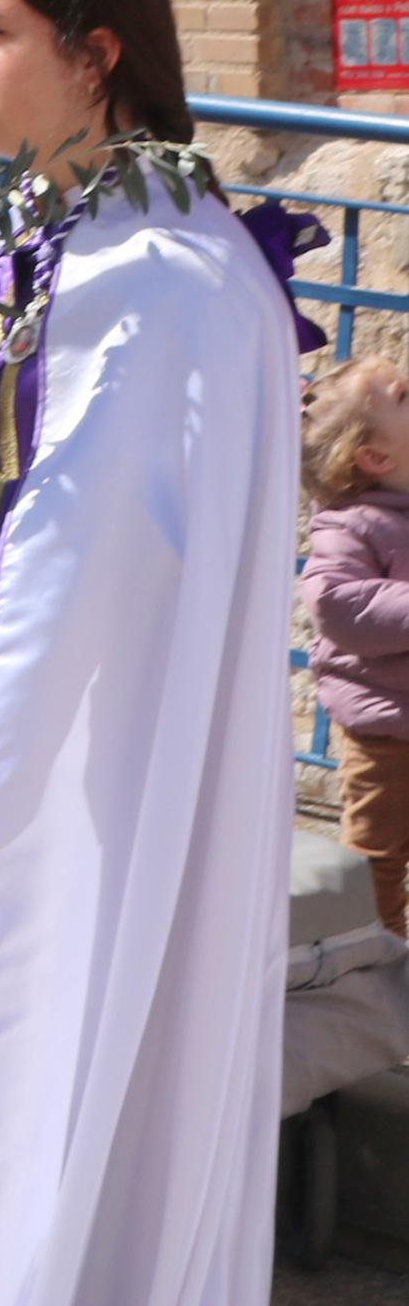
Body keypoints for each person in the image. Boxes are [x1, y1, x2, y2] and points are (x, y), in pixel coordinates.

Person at [0, 0, 299, 1302]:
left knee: (42, 1085)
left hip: (82, 772)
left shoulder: (168, 270)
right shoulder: (18, 229)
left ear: (92, 55)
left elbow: (129, 560)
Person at [307, 357, 409, 938]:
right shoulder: (351, 525)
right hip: (385, 736)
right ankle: (379, 976)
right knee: (378, 861)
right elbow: (338, 605)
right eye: (403, 393)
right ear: (375, 457)